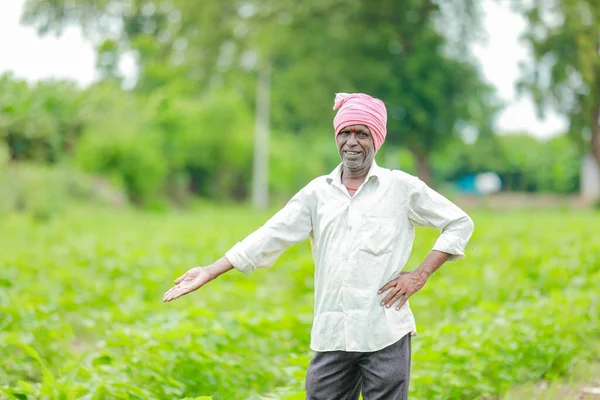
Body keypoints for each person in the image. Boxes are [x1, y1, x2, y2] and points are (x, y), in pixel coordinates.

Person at [163, 92, 474, 400]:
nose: (352, 142)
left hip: (385, 331)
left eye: (362, 134)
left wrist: (420, 274)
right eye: (345, 133)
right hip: (332, 334)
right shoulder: (317, 194)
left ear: (376, 140)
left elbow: (459, 222)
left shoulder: (401, 188)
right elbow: (269, 235)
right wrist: (210, 270)